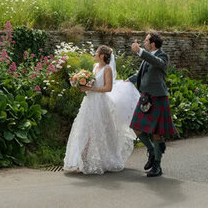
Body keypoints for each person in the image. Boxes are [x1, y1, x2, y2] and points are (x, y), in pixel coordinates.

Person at [64, 45, 140, 174]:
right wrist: (82, 83)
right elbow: (93, 82)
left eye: (96, 52)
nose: (94, 54)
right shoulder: (95, 66)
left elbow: (108, 88)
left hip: (100, 103)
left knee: (99, 131)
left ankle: (100, 160)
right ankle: (81, 161)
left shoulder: (107, 69)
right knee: (83, 129)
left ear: (102, 56)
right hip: (89, 102)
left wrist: (90, 88)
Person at [129, 32, 178, 178]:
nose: (144, 42)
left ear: (153, 43)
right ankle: (151, 150)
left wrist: (140, 52)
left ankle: (157, 165)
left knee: (157, 133)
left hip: (158, 98)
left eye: (146, 40)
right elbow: (143, 74)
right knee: (136, 127)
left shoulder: (162, 56)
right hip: (146, 97)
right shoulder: (147, 57)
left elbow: (157, 63)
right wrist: (128, 80)